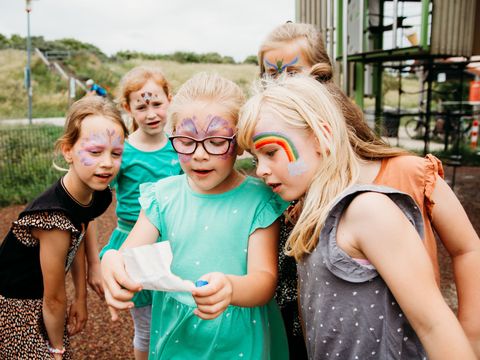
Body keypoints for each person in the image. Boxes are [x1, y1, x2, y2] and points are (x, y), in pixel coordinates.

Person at [258, 22, 480, 357]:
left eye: (291, 75)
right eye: (269, 76)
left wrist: (471, 333)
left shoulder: (407, 172)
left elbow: (467, 250)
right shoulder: (300, 191)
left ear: (322, 80)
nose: (279, 87)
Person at [101, 72, 290, 359]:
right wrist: (112, 260)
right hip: (176, 339)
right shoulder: (161, 197)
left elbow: (263, 279)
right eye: (187, 141)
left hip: (239, 341)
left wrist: (230, 288)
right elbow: (129, 255)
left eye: (215, 141)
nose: (199, 154)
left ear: (238, 142)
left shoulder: (259, 199)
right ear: (172, 137)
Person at [0, 96, 127, 359]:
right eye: (94, 152)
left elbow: (82, 225)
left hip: (42, 302)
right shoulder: (52, 219)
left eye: (116, 153)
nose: (107, 163)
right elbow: (54, 299)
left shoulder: (95, 191)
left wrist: (84, 288)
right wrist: (56, 349)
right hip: (16, 307)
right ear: (67, 150)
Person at [99, 65, 182, 360]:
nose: (151, 113)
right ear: (127, 108)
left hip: (174, 241)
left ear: (169, 99)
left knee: (176, 314)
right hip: (135, 244)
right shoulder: (122, 151)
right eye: (141, 106)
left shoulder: (179, 146)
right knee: (146, 326)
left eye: (157, 103)